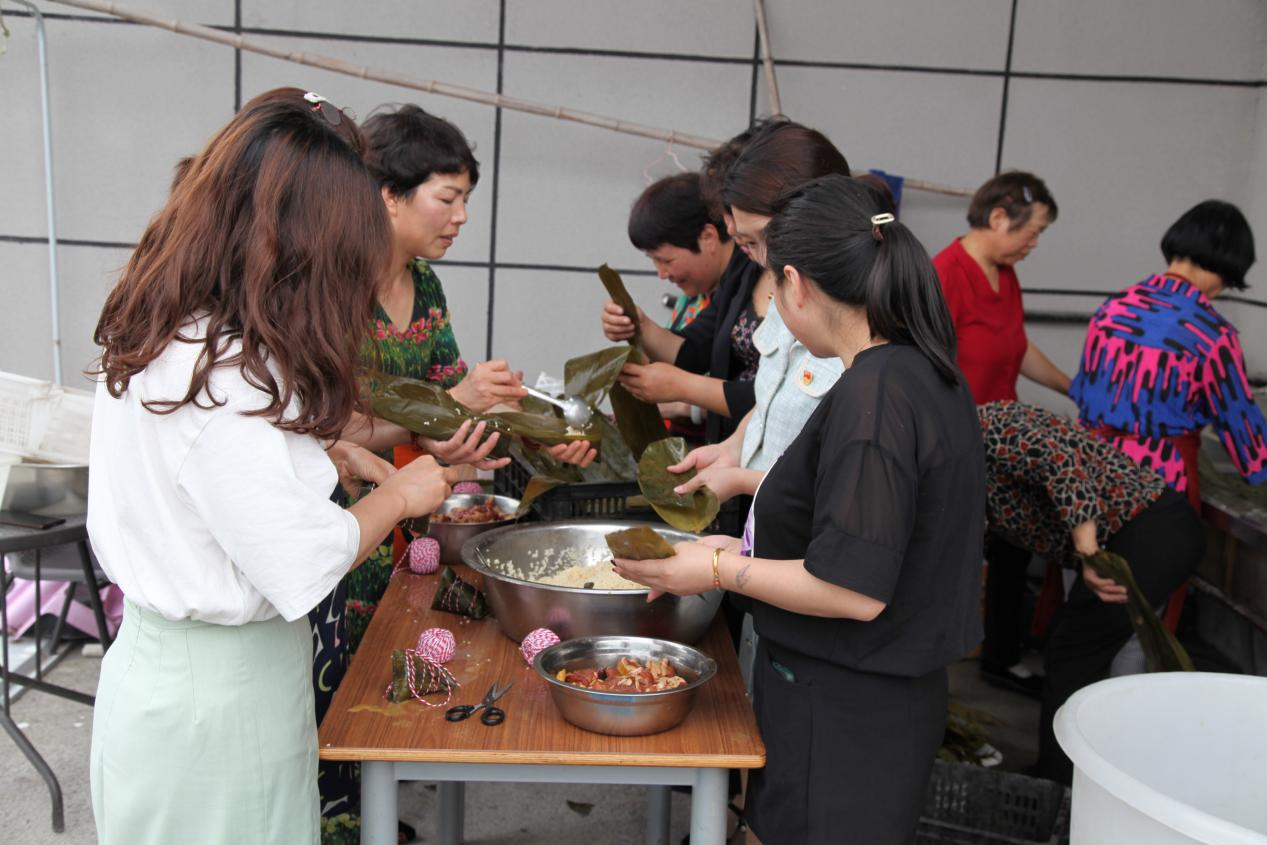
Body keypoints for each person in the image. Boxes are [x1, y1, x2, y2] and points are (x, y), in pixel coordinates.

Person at [86, 88, 453, 844]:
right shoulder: (229, 373)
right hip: (220, 702)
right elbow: (301, 557)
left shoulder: (167, 325)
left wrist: (319, 450)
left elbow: (197, 479)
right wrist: (402, 495)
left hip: (162, 678)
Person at [615, 175, 984, 844]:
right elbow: (867, 525)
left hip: (845, 706)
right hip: (872, 696)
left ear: (796, 284)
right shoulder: (923, 372)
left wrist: (717, 570)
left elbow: (851, 589)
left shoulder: (874, 396)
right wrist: (734, 542)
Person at [977, 401, 1204, 783]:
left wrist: (1089, 553)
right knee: (1081, 652)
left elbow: (1062, 464)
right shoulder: (957, 459)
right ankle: (1082, 776)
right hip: (1136, 534)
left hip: (1150, 528)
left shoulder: (991, 426)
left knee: (1072, 652)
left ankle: (1060, 787)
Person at [932, 171, 1071, 695]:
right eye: (1032, 232)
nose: (1034, 244)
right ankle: (936, 662)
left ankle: (1001, 657)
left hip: (1003, 444)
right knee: (954, 554)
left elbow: (1016, 345)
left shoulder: (1005, 274)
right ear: (997, 218)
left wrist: (1073, 387)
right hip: (958, 444)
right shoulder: (946, 273)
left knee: (1014, 549)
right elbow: (926, 364)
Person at [1071, 199, 1267, 504]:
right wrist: (1258, 469)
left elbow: (1082, 390)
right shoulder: (1211, 333)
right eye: (1229, 279)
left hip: (1088, 472)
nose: (1223, 289)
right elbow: (1242, 430)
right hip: (1156, 484)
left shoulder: (1113, 307)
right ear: (1223, 263)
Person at [628, 172, 734, 333]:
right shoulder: (693, 298)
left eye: (667, 261)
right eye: (654, 260)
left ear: (708, 238)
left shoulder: (747, 302)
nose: (662, 274)